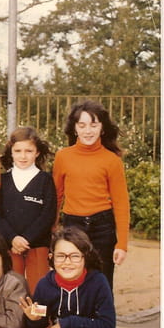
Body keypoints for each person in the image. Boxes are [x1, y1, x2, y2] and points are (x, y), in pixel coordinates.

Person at [0, 126, 55, 328]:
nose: (23, 155)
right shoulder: (3, 180)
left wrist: (26, 237)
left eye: (29, 150)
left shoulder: (45, 180)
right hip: (10, 248)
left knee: (39, 295)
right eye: (18, 151)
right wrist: (13, 238)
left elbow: (48, 215)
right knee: (12, 295)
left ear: (37, 152)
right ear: (11, 152)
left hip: (36, 246)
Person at [53, 100, 129, 289]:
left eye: (93, 125)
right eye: (82, 125)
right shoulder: (63, 157)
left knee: (102, 282)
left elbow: (121, 203)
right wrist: (52, 231)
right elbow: (56, 197)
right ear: (74, 128)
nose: (88, 131)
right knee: (73, 280)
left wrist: (122, 244)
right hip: (73, 226)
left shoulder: (112, 160)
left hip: (103, 228)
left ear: (102, 128)